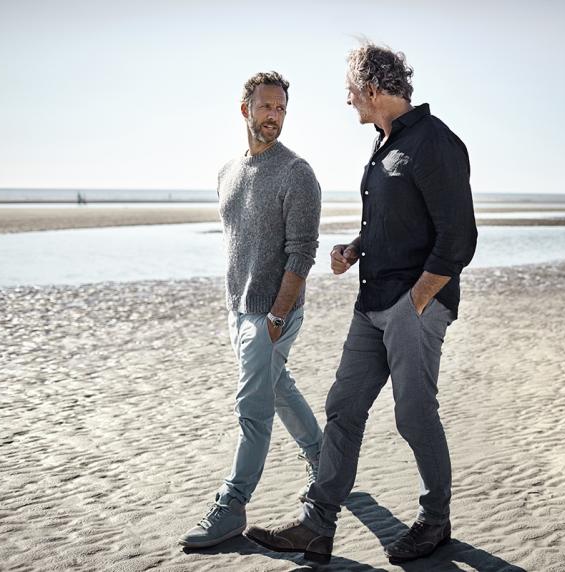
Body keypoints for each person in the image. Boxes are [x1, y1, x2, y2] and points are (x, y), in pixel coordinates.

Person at [244, 43, 477, 564]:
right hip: (371, 304)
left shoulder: (435, 143)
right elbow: (400, 221)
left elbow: (458, 239)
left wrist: (415, 301)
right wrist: (357, 246)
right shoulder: (385, 142)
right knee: (343, 408)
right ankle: (316, 524)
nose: (347, 99)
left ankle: (435, 521)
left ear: (372, 88)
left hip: (415, 307)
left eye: (351, 90)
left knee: (415, 416)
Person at [179, 71, 324, 549]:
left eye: (281, 108)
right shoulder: (227, 172)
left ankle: (232, 504)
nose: (274, 116)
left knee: (252, 407)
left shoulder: (296, 173)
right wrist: (236, 310)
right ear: (245, 110)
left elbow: (302, 253)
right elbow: (237, 245)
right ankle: (326, 462)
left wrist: (278, 316)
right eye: (266, 107)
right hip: (237, 309)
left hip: (272, 312)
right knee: (276, 386)